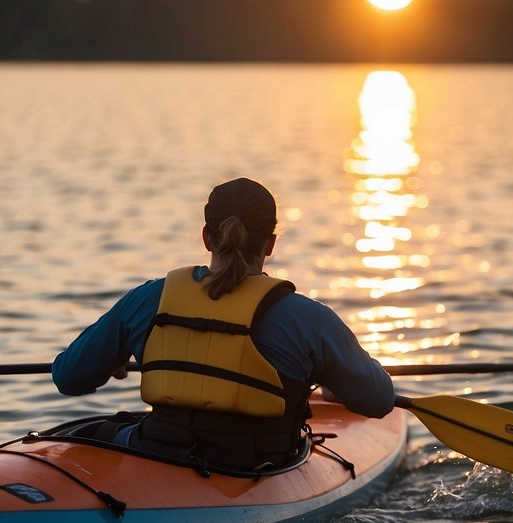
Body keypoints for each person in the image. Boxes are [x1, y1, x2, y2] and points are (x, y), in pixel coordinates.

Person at [52, 177, 394, 470]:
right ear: (271, 243)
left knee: (86, 434)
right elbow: (378, 401)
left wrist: (116, 358)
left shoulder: (147, 301)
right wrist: (329, 379)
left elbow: (68, 377)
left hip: (159, 449)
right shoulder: (309, 320)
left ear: (206, 237)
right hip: (254, 464)